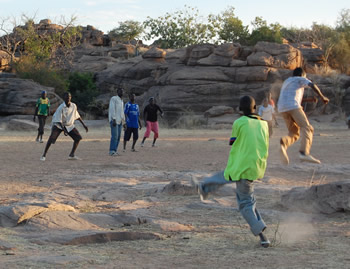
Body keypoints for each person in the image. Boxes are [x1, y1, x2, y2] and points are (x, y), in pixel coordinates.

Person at [192, 96, 270, 248]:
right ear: (255, 108)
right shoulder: (264, 124)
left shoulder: (239, 122)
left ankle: (262, 235)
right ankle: (204, 188)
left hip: (242, 166)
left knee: (246, 204)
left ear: (240, 109)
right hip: (256, 166)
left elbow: (232, 141)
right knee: (229, 180)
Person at [277, 67, 329, 165]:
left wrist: (309, 100)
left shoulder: (287, 81)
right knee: (307, 128)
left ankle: (283, 144)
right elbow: (312, 85)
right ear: (302, 75)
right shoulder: (300, 79)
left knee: (294, 133)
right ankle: (304, 153)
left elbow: (291, 96)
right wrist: (322, 97)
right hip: (293, 106)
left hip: (282, 108)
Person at [40, 92, 88, 161]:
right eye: (66, 97)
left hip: (69, 125)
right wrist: (64, 130)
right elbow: (59, 121)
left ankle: (71, 155)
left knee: (78, 138)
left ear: (71, 97)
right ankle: (44, 155)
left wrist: (84, 125)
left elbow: (77, 116)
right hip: (58, 124)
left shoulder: (73, 106)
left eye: (69, 97)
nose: (68, 98)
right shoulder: (61, 107)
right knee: (51, 139)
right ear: (64, 98)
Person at [109, 88, 125, 156]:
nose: (121, 92)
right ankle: (111, 151)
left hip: (120, 121)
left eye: (122, 91)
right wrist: (114, 119)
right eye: (120, 91)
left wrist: (124, 122)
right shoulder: (114, 98)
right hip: (114, 121)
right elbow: (112, 109)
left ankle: (115, 150)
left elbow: (122, 112)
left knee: (118, 137)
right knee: (114, 136)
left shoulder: (122, 101)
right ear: (117, 92)